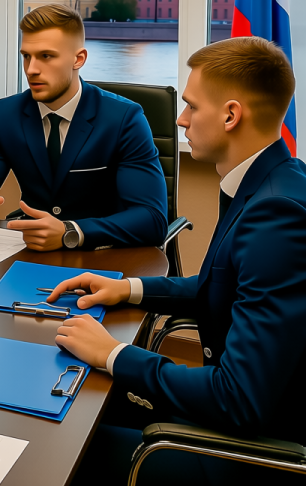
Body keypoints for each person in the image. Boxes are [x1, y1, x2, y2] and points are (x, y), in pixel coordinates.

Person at [51, 37, 306, 484]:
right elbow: (221, 285)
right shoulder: (273, 180)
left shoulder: (275, 214)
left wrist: (114, 353)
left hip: (247, 454)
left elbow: (237, 397)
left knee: (57, 444)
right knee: (83, 400)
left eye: (192, 106)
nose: (180, 119)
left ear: (231, 115)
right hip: (238, 418)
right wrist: (128, 288)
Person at [0, 4, 167, 250]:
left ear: (78, 59)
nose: (31, 69)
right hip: (32, 251)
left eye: (46, 56)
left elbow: (152, 219)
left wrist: (70, 231)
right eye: (26, 56)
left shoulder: (124, 118)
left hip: (102, 255)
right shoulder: (7, 114)